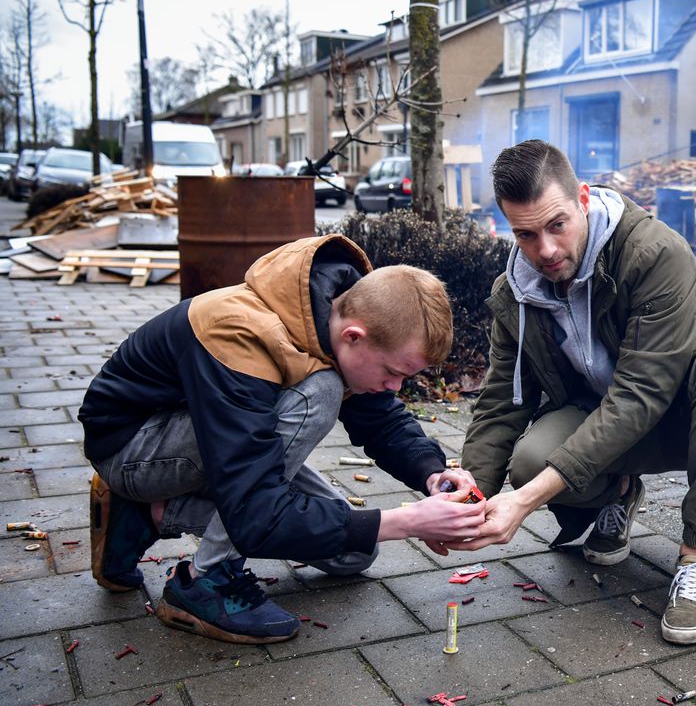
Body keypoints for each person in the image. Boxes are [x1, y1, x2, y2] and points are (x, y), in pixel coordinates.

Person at [451, 139, 696, 646]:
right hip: (602, 414)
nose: (544, 250)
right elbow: (502, 402)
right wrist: (468, 496)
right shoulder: (515, 292)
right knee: (529, 462)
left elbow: (641, 394)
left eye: (557, 224)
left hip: (685, 414)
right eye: (525, 234)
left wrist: (525, 502)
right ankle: (621, 491)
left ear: (583, 198)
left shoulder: (655, 255)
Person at [79, 235, 486, 644]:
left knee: (356, 551)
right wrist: (408, 521)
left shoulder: (333, 319)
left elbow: (380, 419)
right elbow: (257, 516)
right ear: (354, 336)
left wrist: (431, 474)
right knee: (321, 393)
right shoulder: (237, 332)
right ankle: (205, 582)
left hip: (222, 441)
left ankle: (142, 514)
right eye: (393, 372)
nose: (396, 387)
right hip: (132, 449)